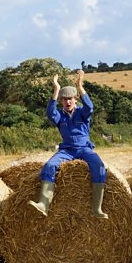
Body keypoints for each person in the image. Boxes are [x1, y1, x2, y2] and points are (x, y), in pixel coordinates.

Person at [28, 70, 108, 219]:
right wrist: (56, 89)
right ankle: (44, 204)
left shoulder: (82, 113)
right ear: (61, 101)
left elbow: (90, 107)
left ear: (76, 99)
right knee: (49, 166)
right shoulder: (59, 115)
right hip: (67, 151)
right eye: (64, 99)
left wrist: (80, 85)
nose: (68, 102)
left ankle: (97, 209)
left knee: (99, 166)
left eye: (70, 98)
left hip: (84, 149)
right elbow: (50, 113)